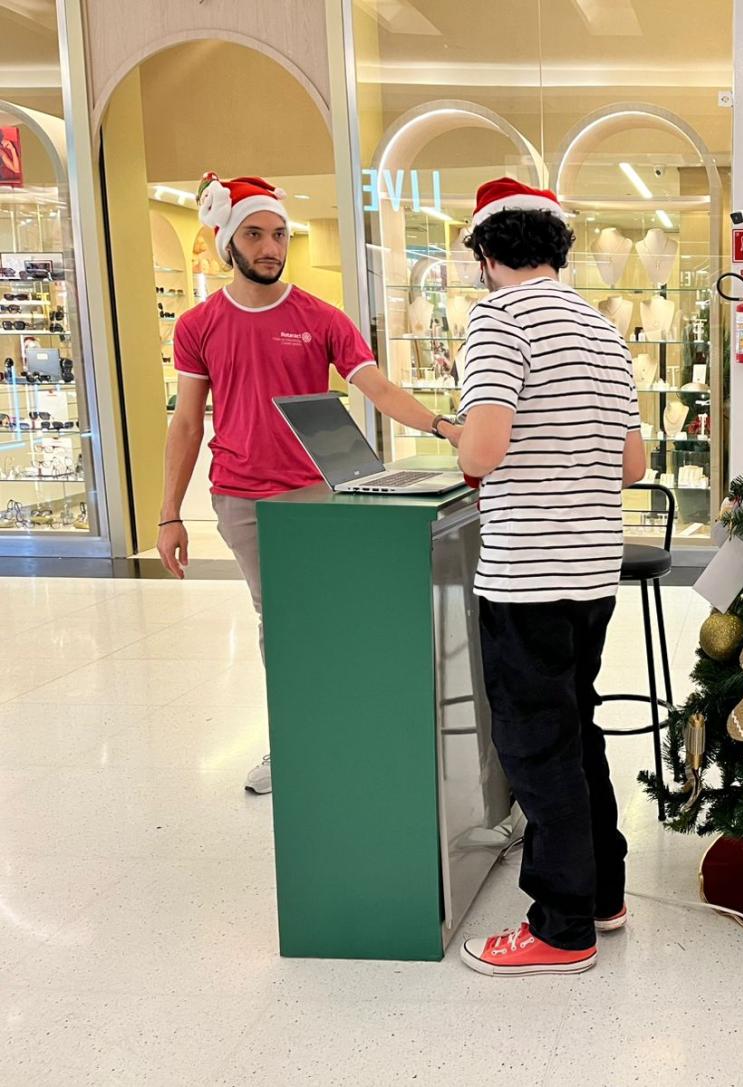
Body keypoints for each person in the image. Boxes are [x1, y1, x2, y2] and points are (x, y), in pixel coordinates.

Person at [157, 172, 463, 795]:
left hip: (324, 497)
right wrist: (169, 515)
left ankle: (348, 726)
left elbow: (376, 388)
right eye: (255, 234)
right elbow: (187, 423)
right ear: (228, 241)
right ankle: (291, 741)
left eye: (278, 234)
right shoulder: (198, 326)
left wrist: (442, 425)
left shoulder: (321, 318)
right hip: (242, 498)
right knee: (282, 621)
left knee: (340, 615)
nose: (271, 246)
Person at [452, 179, 644, 978]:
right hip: (592, 569)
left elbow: (480, 453)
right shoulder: (603, 330)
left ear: (488, 253)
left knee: (537, 745)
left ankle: (562, 927)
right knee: (575, 728)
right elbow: (633, 464)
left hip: (527, 572)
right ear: (558, 250)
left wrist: (457, 429)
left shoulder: (497, 321)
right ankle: (603, 891)